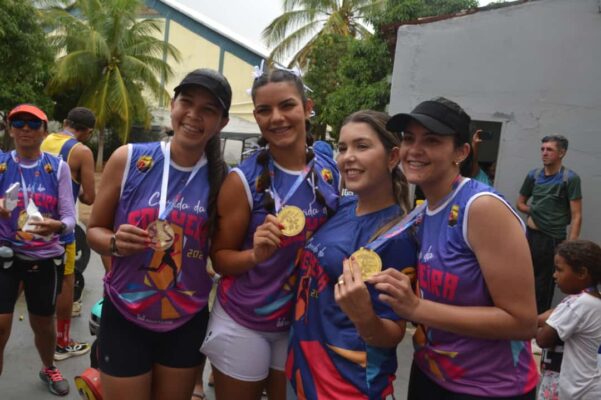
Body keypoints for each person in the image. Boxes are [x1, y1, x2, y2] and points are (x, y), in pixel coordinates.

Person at [370, 97, 538, 399]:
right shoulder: (425, 211)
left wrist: (418, 308)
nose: (415, 150)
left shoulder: (481, 208)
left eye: (432, 140)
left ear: (460, 152)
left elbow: (523, 322)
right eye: (409, 138)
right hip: (430, 375)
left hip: (489, 389)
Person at [86, 68, 231, 400]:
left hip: (186, 319)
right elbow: (94, 229)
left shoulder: (224, 180)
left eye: (208, 109)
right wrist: (113, 242)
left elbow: (223, 252)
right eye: (187, 102)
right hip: (125, 313)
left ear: (221, 122)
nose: (194, 115)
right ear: (172, 104)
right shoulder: (129, 158)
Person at [202, 66, 339, 400]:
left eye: (287, 105)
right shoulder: (242, 182)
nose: (277, 118)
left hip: (302, 323)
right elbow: (219, 259)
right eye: (265, 110)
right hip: (244, 323)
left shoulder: (328, 168)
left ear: (308, 107)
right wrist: (254, 255)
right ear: (257, 117)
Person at [287, 110, 417, 399]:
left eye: (362, 146)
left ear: (393, 157)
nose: (348, 157)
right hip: (303, 367)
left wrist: (364, 317)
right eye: (343, 147)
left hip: (348, 382)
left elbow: (394, 332)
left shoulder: (396, 235)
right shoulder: (343, 208)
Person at [0, 104, 76, 396]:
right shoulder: (3, 164)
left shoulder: (57, 167)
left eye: (33, 124)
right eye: (18, 123)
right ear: (10, 129)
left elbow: (70, 218)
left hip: (42, 258)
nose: (25, 129)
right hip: (5, 255)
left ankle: (48, 367)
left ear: (45, 131)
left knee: (43, 324)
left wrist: (56, 226)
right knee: (1, 324)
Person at [41, 106, 96, 360]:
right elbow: (89, 196)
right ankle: (62, 343)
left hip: (33, 221)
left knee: (20, 272)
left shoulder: (46, 139)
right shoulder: (82, 151)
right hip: (62, 227)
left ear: (65, 122)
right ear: (88, 132)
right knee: (67, 279)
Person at [517, 135, 582, 314]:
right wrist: (534, 210)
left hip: (552, 239)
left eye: (550, 149)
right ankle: (519, 320)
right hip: (530, 236)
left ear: (562, 153)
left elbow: (577, 215)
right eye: (543, 149)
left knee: (543, 285)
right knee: (522, 278)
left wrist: (571, 247)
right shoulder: (534, 175)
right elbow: (520, 203)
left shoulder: (569, 179)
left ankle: (536, 329)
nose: (544, 153)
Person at [536, 240, 601, 399]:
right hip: (592, 388)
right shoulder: (596, 302)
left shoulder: (577, 303)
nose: (554, 275)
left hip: (573, 389)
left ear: (582, 273)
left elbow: (543, 340)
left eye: (559, 270)